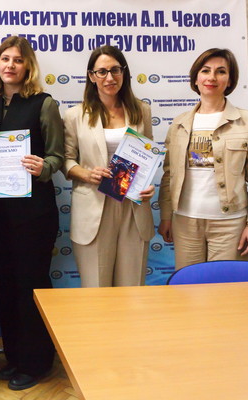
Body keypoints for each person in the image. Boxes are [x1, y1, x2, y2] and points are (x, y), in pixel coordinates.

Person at [0, 35, 63, 391]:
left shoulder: (43, 103)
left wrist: (43, 166)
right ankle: (15, 356)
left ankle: (37, 362)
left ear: (27, 66)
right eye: (5, 59)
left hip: (34, 213)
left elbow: (57, 156)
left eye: (18, 60)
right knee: (5, 285)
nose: (10, 65)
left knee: (31, 286)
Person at [158, 48, 248, 269]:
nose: (212, 77)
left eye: (221, 71)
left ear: (230, 80)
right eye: (205, 71)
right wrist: (166, 216)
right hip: (185, 222)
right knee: (189, 285)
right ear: (196, 78)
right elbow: (169, 175)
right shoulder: (178, 124)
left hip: (230, 224)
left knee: (225, 287)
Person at [63, 45, 155, 288]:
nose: (110, 78)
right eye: (102, 72)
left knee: (132, 290)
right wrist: (87, 173)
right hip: (94, 206)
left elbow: (148, 155)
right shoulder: (75, 115)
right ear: (91, 76)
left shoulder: (141, 110)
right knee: (97, 291)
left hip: (133, 207)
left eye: (115, 70)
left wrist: (148, 185)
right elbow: (66, 160)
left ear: (124, 72)